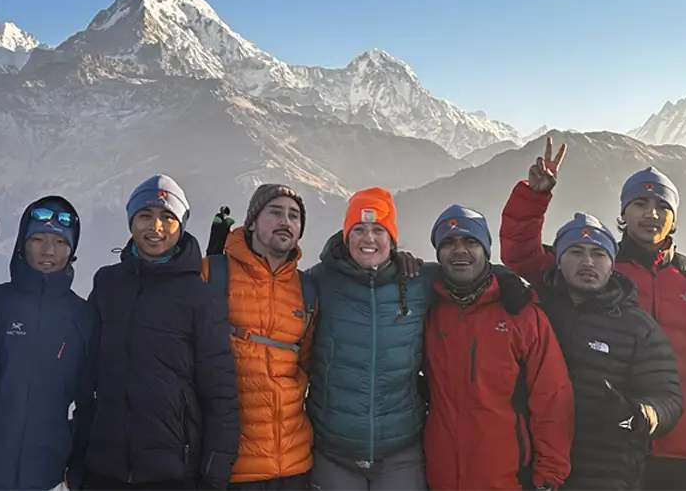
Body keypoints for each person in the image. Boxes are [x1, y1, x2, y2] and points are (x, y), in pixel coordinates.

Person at [501, 138, 686, 491]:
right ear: (623, 212)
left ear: (675, 216)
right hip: (603, 442)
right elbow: (521, 254)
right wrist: (535, 198)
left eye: (662, 205)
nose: (651, 213)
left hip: (679, 443)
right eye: (640, 203)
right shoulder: (593, 266)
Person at [502, 206, 684, 491]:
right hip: (530, 466)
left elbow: (668, 396)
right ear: (558, 261)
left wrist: (641, 414)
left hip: (606, 470)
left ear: (612, 264)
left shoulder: (638, 327)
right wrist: (499, 281)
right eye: (575, 252)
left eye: (598, 254)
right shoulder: (532, 310)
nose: (587, 262)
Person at [83, 174, 239, 491]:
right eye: (145, 216)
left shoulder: (200, 296)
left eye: (167, 217)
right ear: (131, 223)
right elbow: (85, 374)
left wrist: (214, 474)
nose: (155, 227)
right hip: (104, 467)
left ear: (181, 226)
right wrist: (77, 457)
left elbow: (220, 392)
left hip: (174, 473)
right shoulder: (107, 284)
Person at [0, 195, 98, 491]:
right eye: (38, 239)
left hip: (47, 478)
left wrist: (75, 473)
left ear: (72, 251)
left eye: (61, 243)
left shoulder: (84, 317)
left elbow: (88, 405)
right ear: (21, 244)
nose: (48, 250)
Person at [424, 205, 574, 491]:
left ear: (486, 250)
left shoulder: (522, 314)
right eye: (449, 243)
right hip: (440, 477)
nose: (460, 251)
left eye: (470, 242)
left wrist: (549, 477)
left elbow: (553, 398)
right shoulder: (428, 311)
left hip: (507, 479)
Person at [306, 187, 434, 491]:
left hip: (400, 452)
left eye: (379, 229)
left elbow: (470, 272)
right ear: (346, 235)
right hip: (334, 452)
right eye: (359, 229)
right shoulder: (318, 281)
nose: (369, 238)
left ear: (391, 238)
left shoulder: (419, 282)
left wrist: (509, 280)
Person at [201, 184, 315, 490]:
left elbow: (305, 363)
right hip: (234, 465)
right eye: (275, 212)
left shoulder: (307, 289)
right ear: (251, 221)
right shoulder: (213, 273)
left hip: (294, 463)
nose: (285, 221)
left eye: (294, 216)